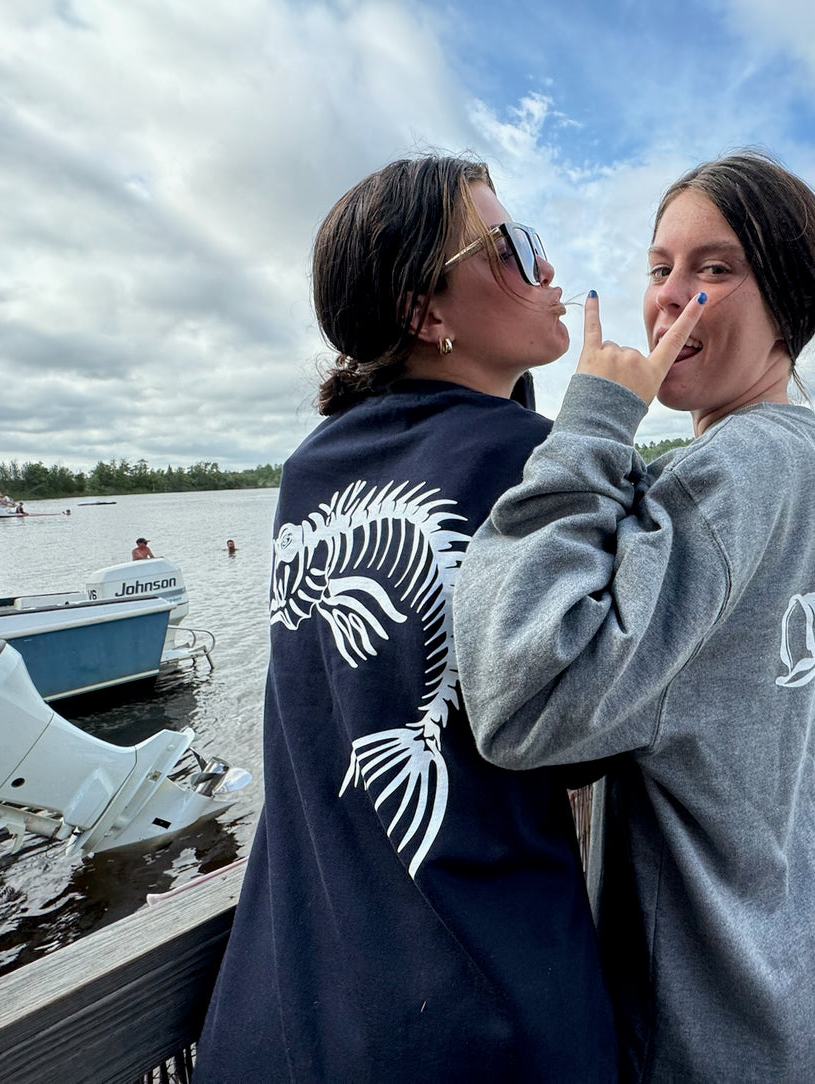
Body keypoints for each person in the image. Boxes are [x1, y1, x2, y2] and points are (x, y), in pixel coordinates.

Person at [455, 153, 815, 1082]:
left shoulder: (726, 480)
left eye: (715, 270)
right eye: (660, 269)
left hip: (716, 1019)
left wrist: (594, 423)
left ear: (790, 302)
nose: (672, 301)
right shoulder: (806, 460)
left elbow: (520, 700)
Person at [196, 155, 616, 1083]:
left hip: (291, 996)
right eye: (511, 247)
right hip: (485, 1008)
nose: (546, 271)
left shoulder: (312, 468)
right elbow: (587, 731)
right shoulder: (529, 458)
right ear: (426, 313)